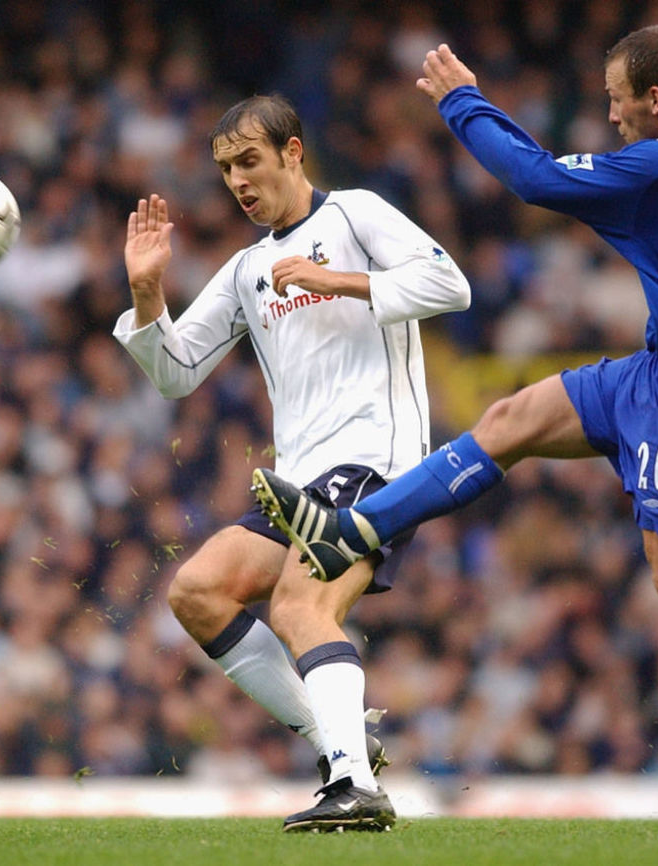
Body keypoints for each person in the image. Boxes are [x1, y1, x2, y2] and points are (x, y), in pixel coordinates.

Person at [251, 26, 658, 836]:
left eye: (618, 98)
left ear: (656, 99)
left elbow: (535, 179)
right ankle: (352, 531)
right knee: (513, 419)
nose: (612, 114)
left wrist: (461, 102)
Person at [115, 94, 470, 832]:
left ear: (293, 152)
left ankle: (354, 785)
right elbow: (176, 371)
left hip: (377, 463)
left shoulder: (356, 216)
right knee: (198, 591)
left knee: (300, 608)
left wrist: (340, 281)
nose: (239, 181)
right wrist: (148, 294)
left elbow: (450, 285)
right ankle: (342, 746)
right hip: (299, 481)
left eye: (250, 161)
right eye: (225, 170)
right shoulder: (248, 269)